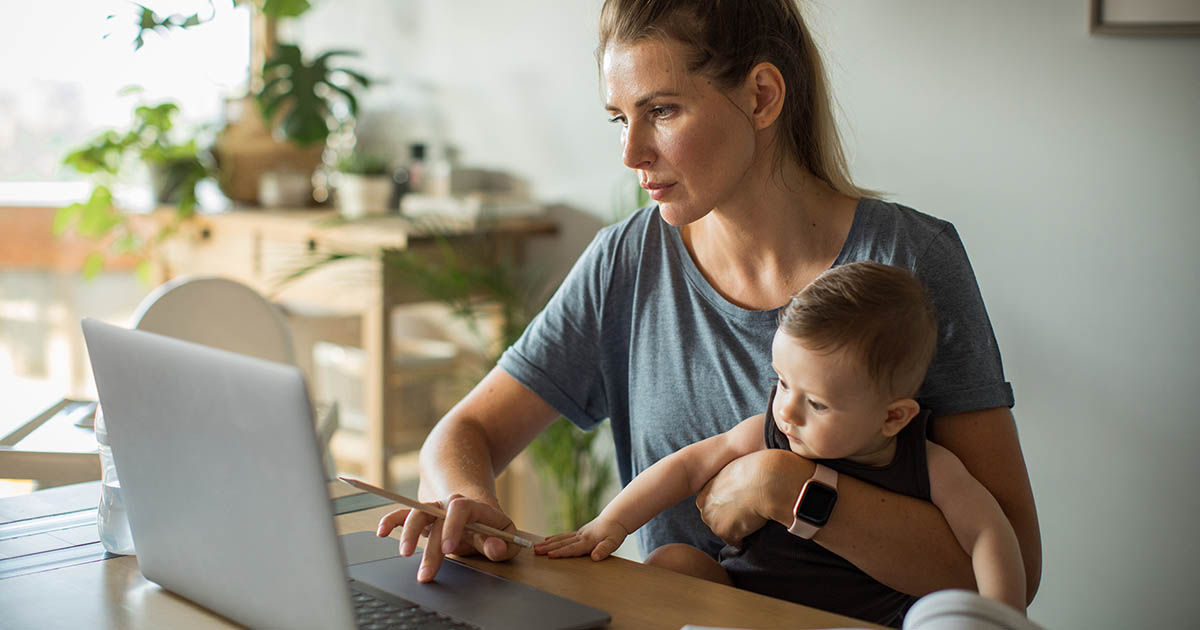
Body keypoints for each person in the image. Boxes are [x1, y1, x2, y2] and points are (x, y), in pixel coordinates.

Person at [377, 0, 1041, 622]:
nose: (631, 153)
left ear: (761, 97)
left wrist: (787, 487)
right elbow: (464, 434)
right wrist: (469, 502)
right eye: (619, 117)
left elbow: (1012, 567)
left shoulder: (911, 262)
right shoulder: (625, 263)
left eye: (661, 111)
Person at [534, 261, 1026, 623]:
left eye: (817, 404)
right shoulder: (769, 433)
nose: (785, 410)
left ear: (893, 417)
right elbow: (686, 467)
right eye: (782, 383)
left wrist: (1001, 616)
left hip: (865, 622)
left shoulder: (929, 464)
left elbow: (988, 532)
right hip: (745, 606)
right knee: (671, 562)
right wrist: (610, 524)